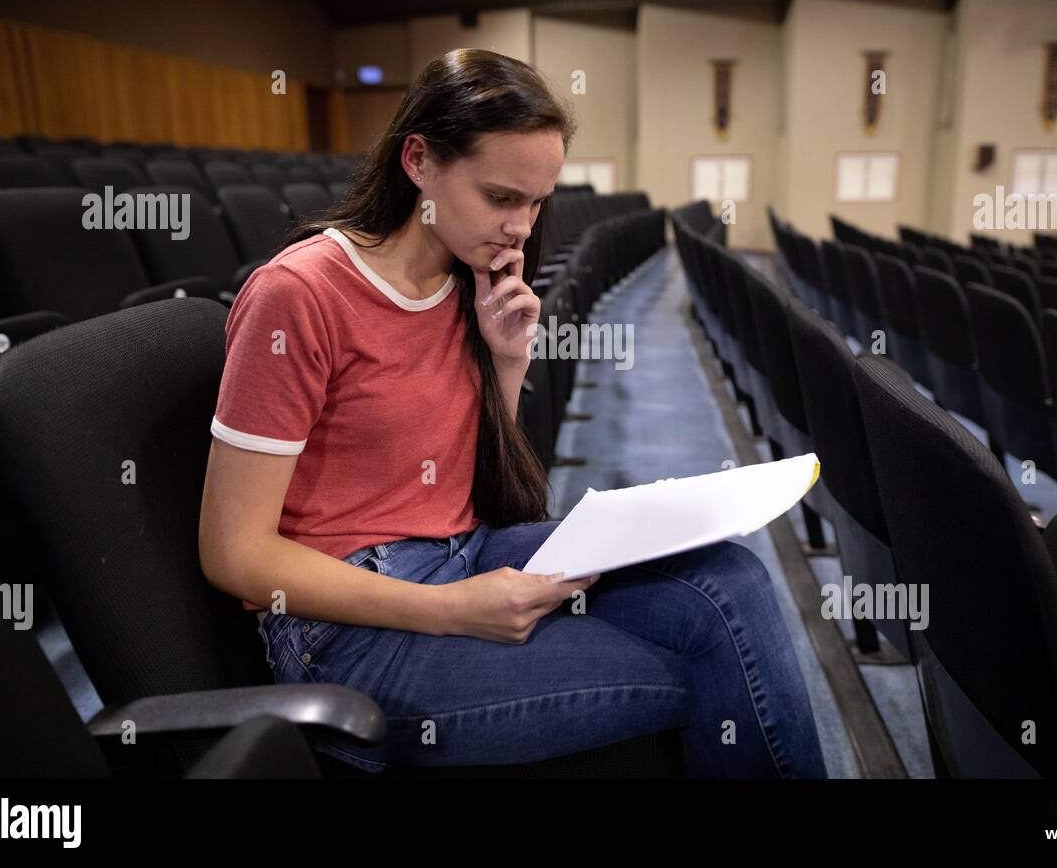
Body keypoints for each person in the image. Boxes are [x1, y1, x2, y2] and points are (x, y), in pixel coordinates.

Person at [197, 47, 827, 777]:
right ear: (419, 161)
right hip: (344, 631)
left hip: (462, 553)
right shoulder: (299, 295)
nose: (523, 227)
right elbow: (235, 555)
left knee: (732, 583)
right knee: (711, 677)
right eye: (502, 197)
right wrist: (450, 609)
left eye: (536, 202)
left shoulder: (469, 281)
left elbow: (469, 488)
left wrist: (505, 362)